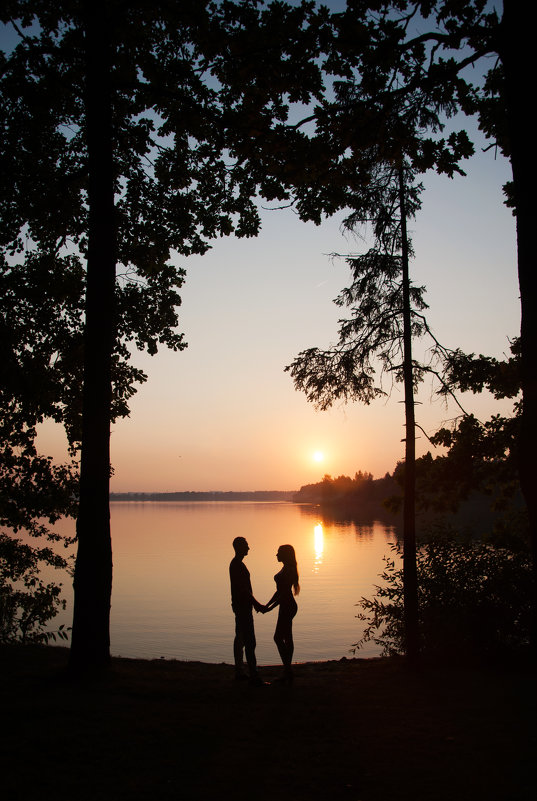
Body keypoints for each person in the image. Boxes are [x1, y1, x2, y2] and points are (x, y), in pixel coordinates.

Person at [262, 544, 300, 683]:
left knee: (279, 638)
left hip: (288, 606)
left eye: (278, 553)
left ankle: (287, 670)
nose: (276, 555)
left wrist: (270, 608)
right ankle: (288, 671)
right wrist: (267, 605)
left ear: (285, 555)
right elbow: (279, 591)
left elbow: (284, 593)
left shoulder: (289, 570)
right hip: (285, 605)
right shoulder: (285, 568)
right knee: (287, 637)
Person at [229, 536, 264, 685]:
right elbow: (244, 590)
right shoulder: (237, 565)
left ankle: (240, 671)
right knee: (250, 641)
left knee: (241, 638)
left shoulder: (237, 564)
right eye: (246, 546)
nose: (249, 548)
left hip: (241, 606)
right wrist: (257, 604)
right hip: (242, 607)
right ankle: (254, 676)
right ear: (240, 548)